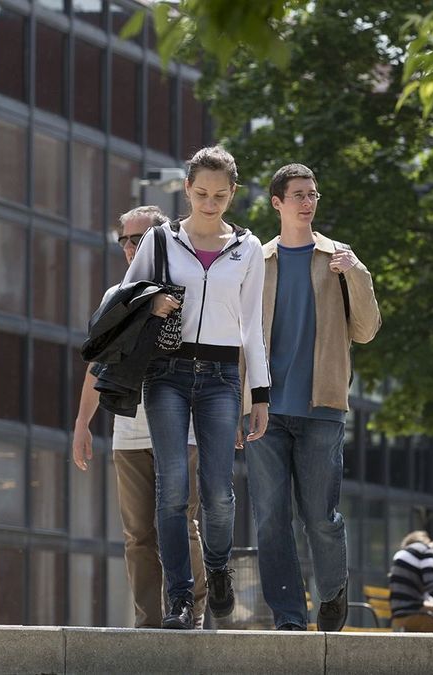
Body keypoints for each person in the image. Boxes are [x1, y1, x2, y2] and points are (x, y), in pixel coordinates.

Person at [119, 145, 270, 629]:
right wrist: (152, 302)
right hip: (166, 372)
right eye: (201, 193)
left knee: (219, 492)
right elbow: (125, 300)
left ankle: (219, 568)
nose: (209, 203)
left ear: (233, 194)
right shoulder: (160, 241)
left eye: (220, 195)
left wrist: (259, 395)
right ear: (187, 189)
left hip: (223, 377)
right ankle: (181, 599)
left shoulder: (247, 248)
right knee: (172, 490)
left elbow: (252, 326)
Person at [242, 163, 381, 631]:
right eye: (298, 194)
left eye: (313, 194)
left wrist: (356, 274)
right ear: (277, 203)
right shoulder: (256, 262)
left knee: (321, 517)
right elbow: (241, 339)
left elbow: (366, 330)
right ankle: (288, 617)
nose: (307, 202)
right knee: (270, 520)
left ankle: (333, 591)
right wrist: (241, 406)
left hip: (322, 408)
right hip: (265, 412)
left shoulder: (339, 258)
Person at [72, 205, 208, 629]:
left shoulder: (190, 286)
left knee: (183, 523)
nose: (131, 247)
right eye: (125, 240)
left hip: (182, 428)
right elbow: (99, 363)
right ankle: (148, 623)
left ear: (161, 239)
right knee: (137, 535)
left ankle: (190, 614)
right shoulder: (116, 295)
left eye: (140, 238)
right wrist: (82, 423)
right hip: (129, 432)